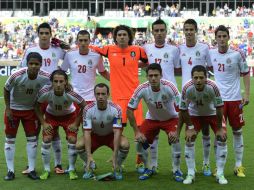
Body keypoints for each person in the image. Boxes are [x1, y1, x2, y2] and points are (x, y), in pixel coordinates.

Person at [20, 22, 67, 174]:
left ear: (51, 35)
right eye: (42, 33)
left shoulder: (58, 50)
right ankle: (31, 165)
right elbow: (22, 70)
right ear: (38, 34)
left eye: (47, 33)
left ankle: (58, 165)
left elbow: (69, 59)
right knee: (34, 130)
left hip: (53, 96)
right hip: (35, 96)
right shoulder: (31, 50)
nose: (44, 36)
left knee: (54, 130)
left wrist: (63, 43)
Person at [61, 29, 110, 168]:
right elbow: (62, 72)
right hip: (73, 98)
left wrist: (117, 81)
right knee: (72, 133)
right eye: (80, 40)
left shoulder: (96, 56)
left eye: (85, 40)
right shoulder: (70, 55)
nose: (83, 43)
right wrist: (66, 83)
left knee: (87, 132)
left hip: (90, 99)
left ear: (89, 41)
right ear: (77, 42)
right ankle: (73, 166)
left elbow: (103, 72)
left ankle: (86, 161)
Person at [127, 63, 182, 181]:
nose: (153, 78)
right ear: (146, 76)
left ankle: (176, 170)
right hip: (152, 119)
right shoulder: (142, 88)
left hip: (170, 119)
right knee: (140, 141)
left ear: (161, 75)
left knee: (175, 140)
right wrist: (137, 132)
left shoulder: (170, 87)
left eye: (156, 75)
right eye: (150, 75)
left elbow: (181, 109)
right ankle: (149, 168)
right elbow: (129, 110)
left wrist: (177, 131)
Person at [142, 18, 181, 177]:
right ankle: (152, 166)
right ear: (152, 32)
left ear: (166, 32)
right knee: (151, 137)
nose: (159, 33)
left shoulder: (174, 50)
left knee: (174, 137)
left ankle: (176, 169)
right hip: (153, 94)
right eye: (156, 30)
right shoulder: (145, 48)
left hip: (170, 97)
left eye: (161, 30)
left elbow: (178, 68)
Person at [209, 25, 250, 177]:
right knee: (219, 134)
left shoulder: (237, 54)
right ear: (215, 38)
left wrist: (247, 94)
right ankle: (218, 167)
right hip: (218, 101)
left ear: (228, 37)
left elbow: (245, 72)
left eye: (224, 36)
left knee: (237, 131)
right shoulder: (211, 53)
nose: (221, 39)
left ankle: (238, 166)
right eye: (219, 36)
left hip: (235, 99)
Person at [4, 52, 50, 180]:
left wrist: (67, 85)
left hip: (30, 110)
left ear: (41, 65)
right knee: (10, 138)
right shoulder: (17, 75)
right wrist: (8, 108)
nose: (34, 66)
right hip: (13, 109)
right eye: (31, 63)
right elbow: (6, 89)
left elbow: (58, 79)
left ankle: (31, 169)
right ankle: (10, 171)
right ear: (27, 64)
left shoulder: (46, 76)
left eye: (36, 64)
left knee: (32, 139)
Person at [91, 25, 148, 128]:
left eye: (124, 35)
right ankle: (119, 144)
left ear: (129, 37)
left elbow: (148, 62)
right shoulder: (108, 49)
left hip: (135, 96)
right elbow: (92, 48)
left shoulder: (138, 50)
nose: (122, 37)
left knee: (139, 128)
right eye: (119, 35)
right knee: (117, 128)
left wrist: (136, 65)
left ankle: (143, 144)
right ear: (115, 37)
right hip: (117, 99)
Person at [179, 65, 228, 185]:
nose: (198, 80)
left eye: (201, 77)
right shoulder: (187, 88)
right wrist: (190, 128)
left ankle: (220, 173)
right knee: (189, 139)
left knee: (222, 138)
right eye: (195, 78)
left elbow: (219, 108)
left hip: (212, 114)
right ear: (192, 78)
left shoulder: (213, 87)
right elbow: (183, 109)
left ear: (206, 78)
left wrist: (220, 128)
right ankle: (191, 173)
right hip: (195, 115)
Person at [35, 70, 86, 180]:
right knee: (47, 139)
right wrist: (43, 123)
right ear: (51, 82)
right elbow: (36, 106)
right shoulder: (45, 92)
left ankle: (71, 169)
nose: (58, 84)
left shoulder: (71, 93)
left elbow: (84, 106)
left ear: (66, 82)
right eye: (55, 81)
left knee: (72, 139)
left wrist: (76, 123)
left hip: (69, 117)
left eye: (61, 81)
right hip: (51, 116)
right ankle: (46, 170)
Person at [178, 19, 213, 176]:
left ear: (196, 30)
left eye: (192, 29)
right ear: (183, 31)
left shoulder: (205, 48)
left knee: (206, 131)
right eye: (186, 29)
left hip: (203, 93)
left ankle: (206, 164)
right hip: (187, 95)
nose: (189, 32)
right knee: (189, 132)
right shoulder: (178, 49)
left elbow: (211, 69)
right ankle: (186, 169)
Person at [80, 83, 129, 180]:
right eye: (98, 94)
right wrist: (89, 155)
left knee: (125, 145)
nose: (100, 97)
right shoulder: (87, 109)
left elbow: (117, 132)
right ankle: (89, 164)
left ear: (108, 94)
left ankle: (117, 166)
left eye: (103, 94)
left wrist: (115, 154)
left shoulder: (116, 109)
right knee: (79, 145)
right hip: (95, 136)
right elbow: (86, 132)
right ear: (94, 95)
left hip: (111, 135)